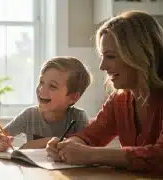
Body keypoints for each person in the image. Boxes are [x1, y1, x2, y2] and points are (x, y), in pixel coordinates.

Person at [46, 11, 163, 174]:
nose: (102, 66)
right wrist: (69, 145)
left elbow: (159, 157)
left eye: (111, 56)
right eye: (102, 56)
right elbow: (92, 134)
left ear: (139, 56)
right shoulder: (121, 98)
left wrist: (90, 155)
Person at [0, 57, 91, 152]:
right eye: (41, 82)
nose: (41, 89)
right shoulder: (30, 115)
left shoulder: (78, 117)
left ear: (72, 98)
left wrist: (31, 145)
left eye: (52, 86)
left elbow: (85, 150)